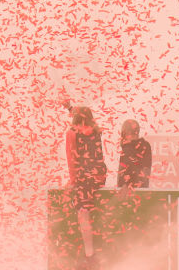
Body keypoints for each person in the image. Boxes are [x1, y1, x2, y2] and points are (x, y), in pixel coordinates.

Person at [63, 104, 107, 261]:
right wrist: (70, 108)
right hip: (99, 175)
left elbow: (72, 159)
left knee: (83, 213)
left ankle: (89, 254)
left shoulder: (72, 133)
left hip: (84, 177)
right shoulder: (96, 130)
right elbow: (83, 118)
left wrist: (73, 181)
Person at [117, 119, 151, 189]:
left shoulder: (128, 148)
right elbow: (146, 170)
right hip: (142, 189)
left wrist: (121, 187)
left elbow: (123, 171)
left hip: (127, 190)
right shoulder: (145, 145)